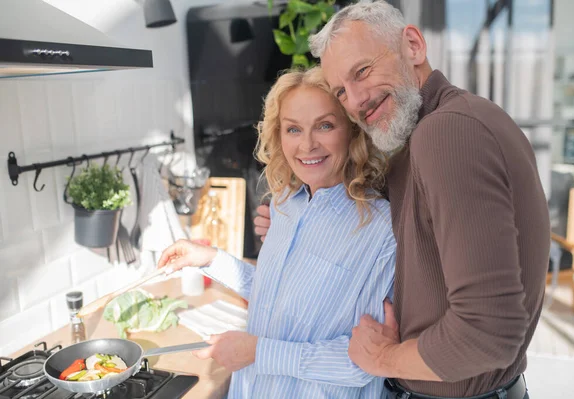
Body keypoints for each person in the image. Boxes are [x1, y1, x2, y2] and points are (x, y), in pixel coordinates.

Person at [254, 1, 550, 398]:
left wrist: (383, 359)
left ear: (413, 45)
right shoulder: (454, 124)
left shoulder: (445, 133)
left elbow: (489, 333)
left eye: (362, 71)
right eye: (341, 91)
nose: (357, 100)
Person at [158, 66, 396, 399]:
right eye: (293, 129)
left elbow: (368, 362)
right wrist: (209, 259)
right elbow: (277, 299)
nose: (307, 144)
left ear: (352, 131)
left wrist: (257, 352)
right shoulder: (285, 204)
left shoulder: (380, 229)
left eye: (324, 126)